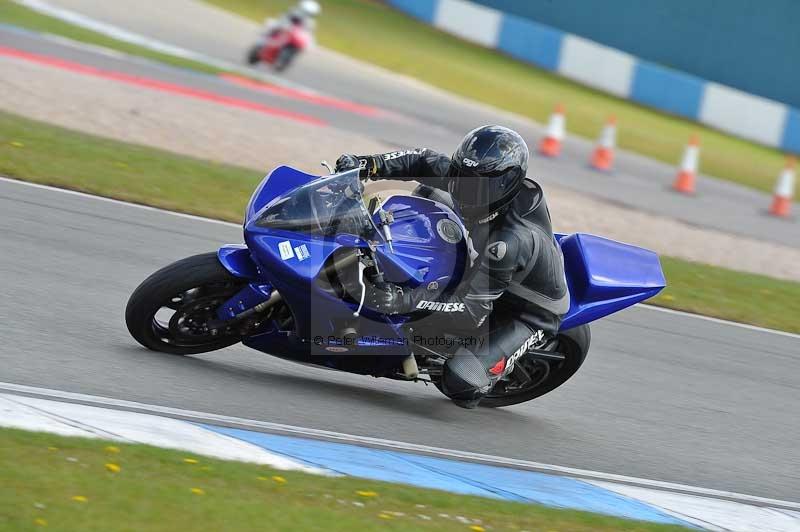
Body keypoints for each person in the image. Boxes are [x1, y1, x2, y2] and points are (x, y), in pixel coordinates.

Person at [335, 125, 570, 408]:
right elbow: (422, 160)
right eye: (462, 177)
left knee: (461, 381)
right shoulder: (473, 180)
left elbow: (469, 311)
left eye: (480, 186)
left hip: (527, 308)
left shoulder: (509, 242)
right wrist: (366, 165)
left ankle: (494, 369)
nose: (467, 190)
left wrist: (403, 299)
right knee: (425, 191)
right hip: (485, 260)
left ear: (507, 185)